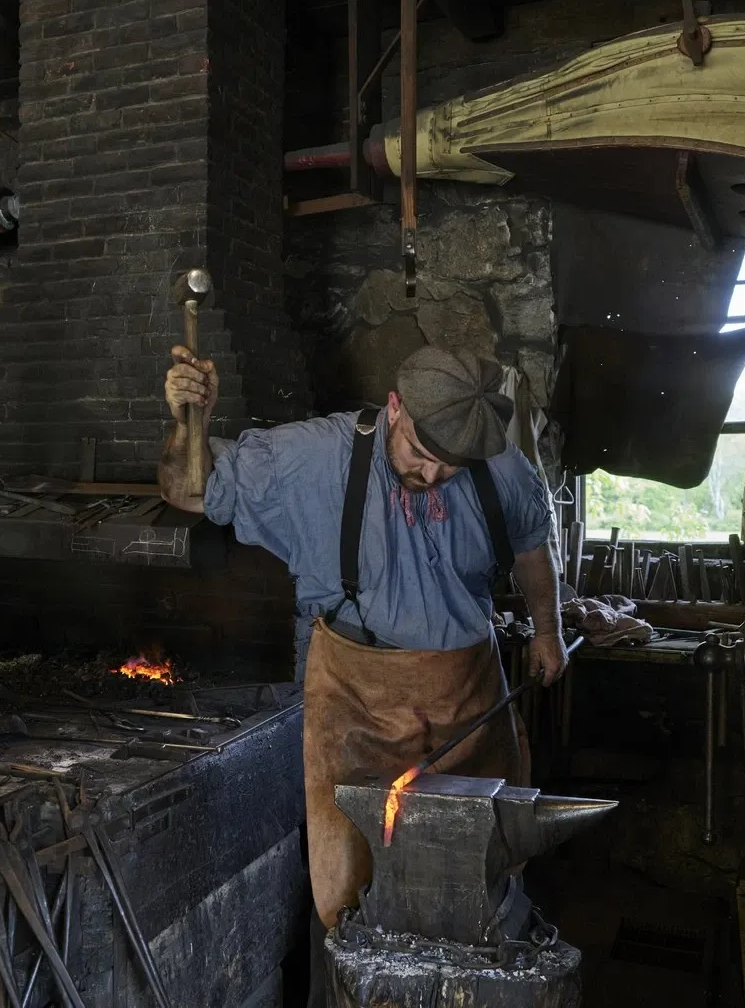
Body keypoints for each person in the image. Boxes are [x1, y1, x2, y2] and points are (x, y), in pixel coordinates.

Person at [159, 344, 565, 999]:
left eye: (450, 468)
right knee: (349, 900)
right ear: (395, 409)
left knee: (477, 886)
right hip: (354, 704)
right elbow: (187, 490)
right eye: (419, 456)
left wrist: (550, 631)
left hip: (469, 704)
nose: (432, 477)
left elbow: (530, 547)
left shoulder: (505, 472)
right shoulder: (316, 459)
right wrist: (189, 424)